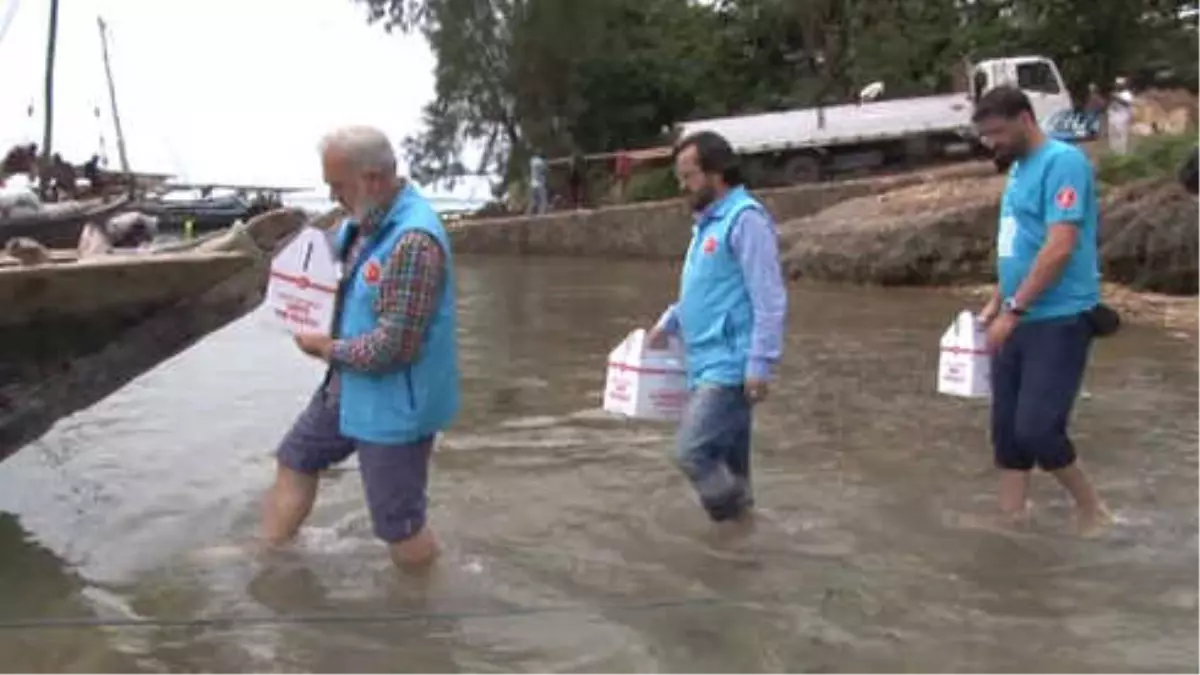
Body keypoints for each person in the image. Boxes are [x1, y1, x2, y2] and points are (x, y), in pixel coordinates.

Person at [260, 125, 461, 569]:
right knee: (296, 457)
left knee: (398, 525)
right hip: (347, 388)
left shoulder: (413, 242)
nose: (333, 197)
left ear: (371, 180)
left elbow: (395, 347)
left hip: (395, 404)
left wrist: (326, 348)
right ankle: (268, 556)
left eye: (338, 187)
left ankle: (425, 614)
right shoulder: (363, 223)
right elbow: (319, 267)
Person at [970, 86, 1111, 535]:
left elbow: (1059, 246)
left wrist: (1014, 308)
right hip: (1016, 313)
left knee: (1039, 431)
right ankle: (1011, 520)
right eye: (985, 135)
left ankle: (1095, 512)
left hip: (1058, 317)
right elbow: (1020, 242)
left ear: (1025, 119)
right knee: (1008, 433)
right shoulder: (1018, 169)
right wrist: (997, 300)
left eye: (996, 132)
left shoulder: (1063, 163)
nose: (991, 143)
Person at [647, 131, 787, 523]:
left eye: (689, 176)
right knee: (733, 469)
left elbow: (770, 297)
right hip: (704, 362)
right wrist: (669, 321)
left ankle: (740, 525)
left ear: (717, 172)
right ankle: (744, 555)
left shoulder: (746, 220)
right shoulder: (706, 226)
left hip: (730, 367)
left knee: (691, 452)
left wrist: (760, 363)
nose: (683, 186)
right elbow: (705, 291)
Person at [528, 151, 548, 215]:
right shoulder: (541, 162)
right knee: (543, 200)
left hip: (533, 184)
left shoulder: (532, 161)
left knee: (534, 201)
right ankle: (541, 214)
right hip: (540, 184)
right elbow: (545, 169)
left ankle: (529, 213)